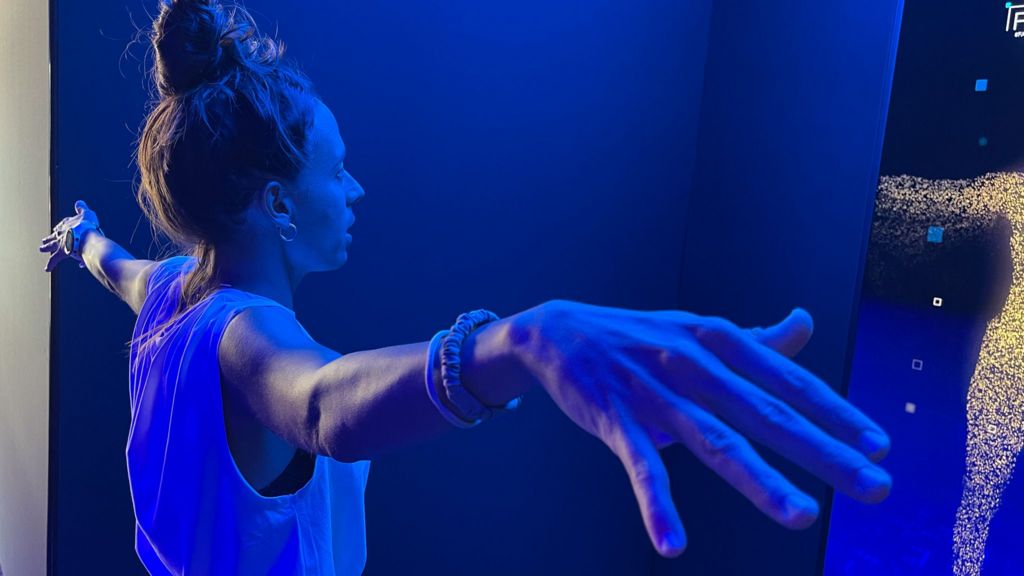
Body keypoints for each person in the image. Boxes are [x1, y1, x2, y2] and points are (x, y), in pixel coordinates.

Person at [38, 0, 893, 573]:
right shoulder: (247, 337)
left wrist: (78, 237)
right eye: (336, 172)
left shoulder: (168, 290)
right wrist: (518, 341)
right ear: (276, 205)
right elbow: (322, 405)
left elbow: (112, 262)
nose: (356, 191)